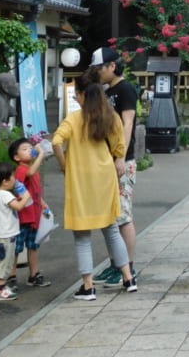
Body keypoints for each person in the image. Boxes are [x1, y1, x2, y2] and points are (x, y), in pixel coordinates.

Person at [52, 70, 137, 300]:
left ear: (81, 95)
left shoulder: (73, 119)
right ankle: (128, 278)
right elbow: (119, 148)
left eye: (77, 95)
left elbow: (56, 142)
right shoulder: (111, 117)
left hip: (80, 182)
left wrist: (64, 165)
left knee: (82, 236)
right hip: (105, 179)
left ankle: (88, 287)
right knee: (111, 230)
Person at [91, 46, 139, 286]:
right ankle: (115, 264)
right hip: (107, 159)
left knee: (123, 214)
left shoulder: (126, 89)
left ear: (112, 66)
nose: (97, 72)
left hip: (122, 160)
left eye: (100, 68)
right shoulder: (108, 90)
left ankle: (128, 266)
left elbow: (127, 123)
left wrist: (121, 155)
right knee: (111, 215)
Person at [8, 137, 51, 288]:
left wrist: (43, 204)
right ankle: (11, 275)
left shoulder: (32, 169)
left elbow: (35, 191)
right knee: (16, 247)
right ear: (16, 157)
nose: (30, 150)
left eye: (29, 148)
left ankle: (34, 274)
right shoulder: (21, 169)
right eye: (24, 149)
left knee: (33, 246)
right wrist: (40, 154)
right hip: (23, 215)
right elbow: (31, 173)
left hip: (34, 214)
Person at [0, 160, 31, 301]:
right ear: (5, 181)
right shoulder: (5, 194)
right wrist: (25, 197)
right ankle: (0, 290)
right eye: (13, 177)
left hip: (0, 235)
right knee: (5, 263)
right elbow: (18, 207)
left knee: (2, 261)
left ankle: (0, 285)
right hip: (6, 236)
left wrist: (18, 199)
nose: (16, 180)